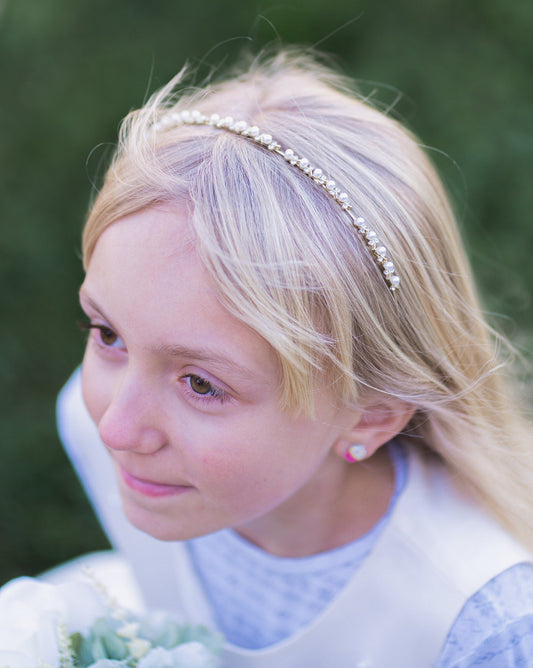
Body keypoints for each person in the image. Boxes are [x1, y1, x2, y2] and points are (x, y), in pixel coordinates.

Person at [56, 49, 533, 666]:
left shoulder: (479, 625)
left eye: (202, 384)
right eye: (109, 335)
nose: (117, 428)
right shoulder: (98, 431)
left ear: (370, 416)